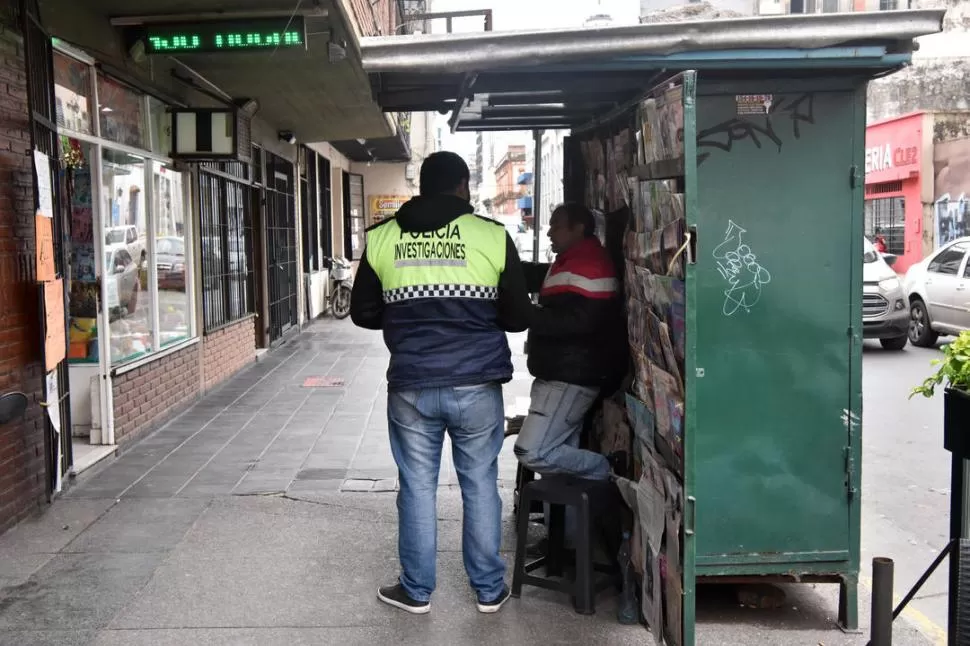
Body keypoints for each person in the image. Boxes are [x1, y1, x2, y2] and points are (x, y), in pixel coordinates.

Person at [350, 151, 532, 616]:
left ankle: (416, 590)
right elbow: (517, 318)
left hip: (411, 384)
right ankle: (489, 590)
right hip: (476, 384)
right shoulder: (490, 237)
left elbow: (363, 313)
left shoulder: (382, 238)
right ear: (462, 187)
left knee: (415, 486)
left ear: (422, 187)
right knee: (479, 484)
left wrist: (407, 316)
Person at [514, 202, 625, 481]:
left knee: (532, 451)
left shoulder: (591, 264)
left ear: (580, 228)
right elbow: (542, 279)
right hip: (560, 371)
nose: (549, 232)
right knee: (560, 455)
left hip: (571, 377)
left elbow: (580, 322)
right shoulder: (571, 260)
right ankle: (569, 518)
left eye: (556, 226)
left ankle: (606, 470)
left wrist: (530, 314)